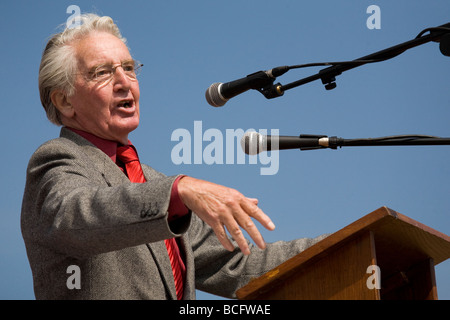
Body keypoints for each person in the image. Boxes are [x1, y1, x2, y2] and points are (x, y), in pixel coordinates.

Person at [21, 14, 327, 300]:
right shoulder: (58, 159)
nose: (124, 82)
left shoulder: (153, 182)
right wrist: (179, 190)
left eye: (128, 68)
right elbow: (74, 216)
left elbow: (237, 264)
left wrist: (341, 244)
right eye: (101, 72)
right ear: (64, 100)